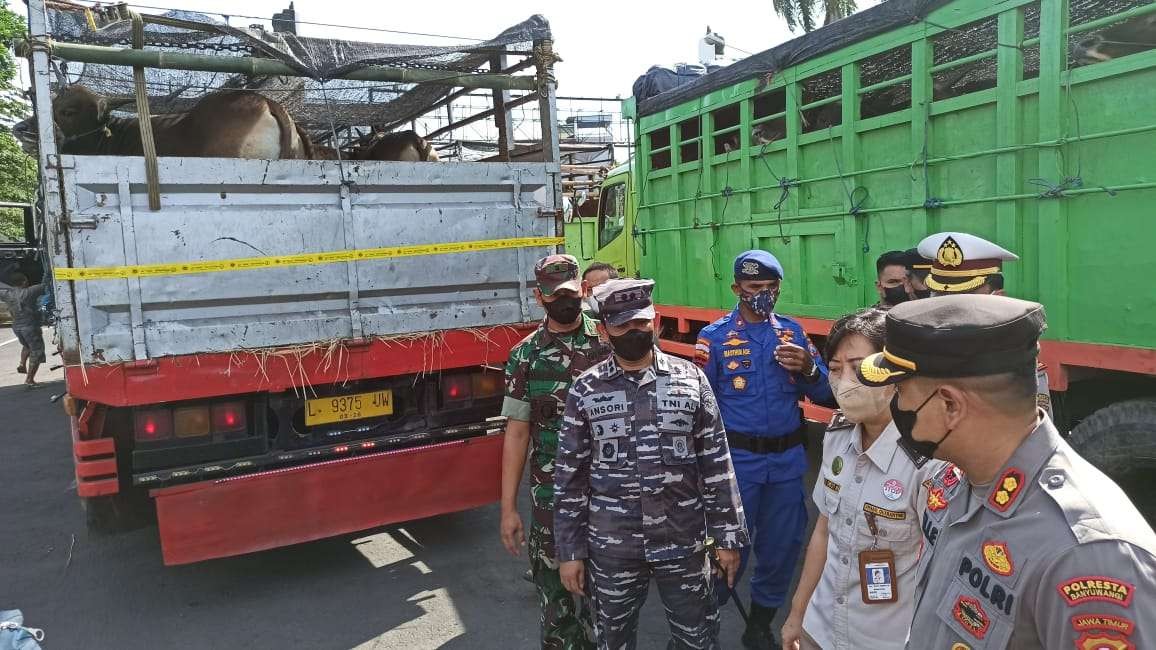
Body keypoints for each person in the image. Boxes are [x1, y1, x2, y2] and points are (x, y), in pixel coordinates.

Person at [856, 295, 1156, 648]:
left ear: (950, 405)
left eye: (901, 390)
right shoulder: (958, 480)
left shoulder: (1086, 558)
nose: (897, 406)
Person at [554, 278, 748, 650]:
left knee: (698, 639)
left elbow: (717, 465)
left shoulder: (691, 380)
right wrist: (570, 552)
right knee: (613, 641)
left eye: (640, 322)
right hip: (613, 549)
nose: (634, 331)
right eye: (622, 325)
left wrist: (728, 537)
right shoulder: (585, 390)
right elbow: (570, 480)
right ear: (605, 330)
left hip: (684, 543)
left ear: (654, 320)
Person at [779, 308, 945, 650]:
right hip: (821, 630)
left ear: (894, 373)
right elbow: (824, 531)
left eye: (858, 368)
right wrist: (797, 614)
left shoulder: (928, 460)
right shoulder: (837, 436)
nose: (844, 382)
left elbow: (941, 568)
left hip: (888, 640)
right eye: (836, 370)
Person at [695, 250, 834, 650]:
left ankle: (758, 625)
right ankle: (700, 627)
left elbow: (827, 395)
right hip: (737, 464)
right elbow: (700, 408)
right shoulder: (715, 338)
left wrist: (808, 368)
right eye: (755, 288)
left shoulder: (792, 334)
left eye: (771, 288)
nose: (764, 295)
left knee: (782, 549)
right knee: (726, 549)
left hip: (787, 463)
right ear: (737, 288)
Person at [499, 254, 610, 650]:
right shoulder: (525, 356)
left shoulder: (608, 340)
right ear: (538, 296)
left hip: (608, 500)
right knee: (558, 614)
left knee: (609, 612)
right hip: (551, 502)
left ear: (581, 290)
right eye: (553, 294)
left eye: (568, 292)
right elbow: (516, 434)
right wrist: (508, 509)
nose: (562, 300)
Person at [913, 232, 1053, 419]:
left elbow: (1036, 440)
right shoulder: (913, 356)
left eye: (965, 299)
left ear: (998, 298)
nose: (949, 307)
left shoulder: (1017, 367)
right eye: (940, 296)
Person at [0, 270, 47, 388]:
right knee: (37, 351)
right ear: (24, 281)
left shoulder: (6, 294)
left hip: (16, 327)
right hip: (30, 326)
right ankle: (30, 380)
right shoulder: (29, 292)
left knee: (27, 346)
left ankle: (22, 363)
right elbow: (45, 284)